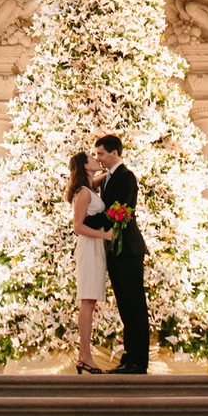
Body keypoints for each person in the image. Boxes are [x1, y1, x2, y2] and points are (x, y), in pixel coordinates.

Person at [94, 134, 149, 374]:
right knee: (125, 307)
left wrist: (85, 221)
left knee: (135, 305)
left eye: (101, 154)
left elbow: (119, 210)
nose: (99, 158)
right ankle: (129, 357)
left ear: (114, 153)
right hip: (115, 251)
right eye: (96, 155)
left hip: (128, 248)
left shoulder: (126, 177)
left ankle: (139, 361)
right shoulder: (109, 177)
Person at [67, 152, 113, 375]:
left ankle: (84, 356)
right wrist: (105, 236)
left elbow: (96, 180)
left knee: (90, 301)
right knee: (87, 301)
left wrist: (109, 173)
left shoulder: (89, 187)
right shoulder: (84, 193)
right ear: (86, 166)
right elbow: (77, 226)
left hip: (95, 248)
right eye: (93, 159)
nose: (98, 160)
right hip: (89, 247)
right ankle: (85, 356)